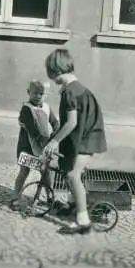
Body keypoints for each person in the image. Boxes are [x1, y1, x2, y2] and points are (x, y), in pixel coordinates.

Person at [43, 49, 107, 234]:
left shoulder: (70, 93)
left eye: (52, 74)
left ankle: (83, 222)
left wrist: (54, 141)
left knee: (72, 176)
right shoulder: (78, 88)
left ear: (55, 72)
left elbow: (72, 123)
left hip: (85, 140)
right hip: (87, 137)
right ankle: (73, 205)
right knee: (69, 173)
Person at [11, 80, 59, 206]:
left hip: (42, 145)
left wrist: (56, 134)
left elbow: (55, 123)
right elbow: (33, 130)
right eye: (35, 93)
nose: (38, 96)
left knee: (46, 172)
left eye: (41, 94)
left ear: (46, 94)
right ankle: (16, 196)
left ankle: (49, 196)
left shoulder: (47, 107)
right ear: (28, 92)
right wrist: (47, 142)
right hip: (26, 146)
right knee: (24, 171)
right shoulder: (26, 108)